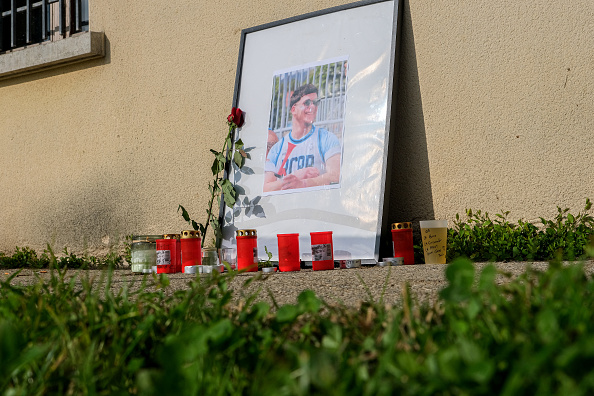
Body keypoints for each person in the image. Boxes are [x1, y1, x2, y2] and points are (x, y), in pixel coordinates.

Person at [264, 83, 341, 192]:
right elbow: (266, 188)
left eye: (315, 103)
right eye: (307, 103)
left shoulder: (327, 138)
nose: (313, 107)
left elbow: (336, 176)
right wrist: (297, 176)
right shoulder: (277, 149)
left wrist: (303, 183)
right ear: (293, 109)